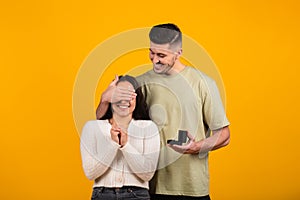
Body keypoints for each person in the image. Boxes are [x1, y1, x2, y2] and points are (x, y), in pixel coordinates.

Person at [96, 23, 230, 200]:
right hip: (150, 187)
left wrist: (195, 147)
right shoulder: (140, 83)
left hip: (192, 186)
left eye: (162, 55)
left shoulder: (203, 83)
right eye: (152, 52)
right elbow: (104, 123)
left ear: (179, 53)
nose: (154, 59)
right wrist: (105, 99)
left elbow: (224, 135)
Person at [81, 75, 160, 200]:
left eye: (129, 95)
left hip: (137, 195)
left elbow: (147, 174)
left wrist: (126, 145)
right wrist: (113, 144)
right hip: (102, 195)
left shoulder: (149, 128)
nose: (123, 100)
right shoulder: (92, 128)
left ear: (137, 99)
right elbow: (90, 173)